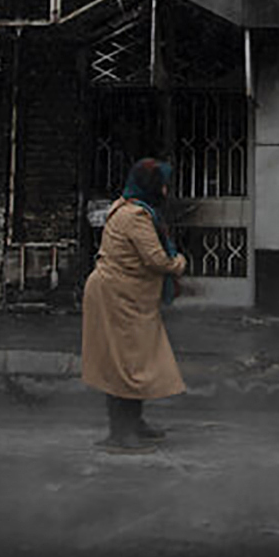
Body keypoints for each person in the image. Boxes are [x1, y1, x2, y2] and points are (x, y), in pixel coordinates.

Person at [80, 157, 188, 451]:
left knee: (133, 363)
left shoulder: (132, 208)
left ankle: (133, 424)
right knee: (124, 365)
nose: (166, 191)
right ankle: (120, 433)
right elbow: (156, 259)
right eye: (163, 185)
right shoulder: (135, 216)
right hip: (117, 298)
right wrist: (179, 263)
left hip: (127, 298)